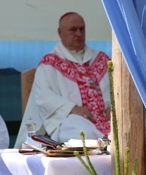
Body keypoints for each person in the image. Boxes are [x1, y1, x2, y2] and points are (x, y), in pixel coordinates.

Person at [16, 12, 111, 146]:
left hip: (107, 119)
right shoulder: (49, 63)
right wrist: (72, 108)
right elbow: (43, 95)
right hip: (71, 119)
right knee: (84, 134)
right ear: (60, 32)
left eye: (81, 29)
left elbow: (118, 89)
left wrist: (114, 107)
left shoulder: (102, 59)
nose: (78, 34)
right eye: (73, 29)